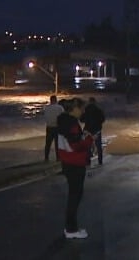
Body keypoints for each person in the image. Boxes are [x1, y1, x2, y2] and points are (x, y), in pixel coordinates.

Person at [57, 97, 98, 239]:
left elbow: (71, 141)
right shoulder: (72, 124)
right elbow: (77, 145)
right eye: (81, 109)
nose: (83, 112)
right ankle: (71, 229)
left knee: (73, 196)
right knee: (75, 196)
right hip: (75, 163)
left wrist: (83, 136)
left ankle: (70, 228)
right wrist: (89, 139)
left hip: (67, 161)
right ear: (74, 109)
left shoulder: (62, 121)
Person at [81, 97, 105, 165]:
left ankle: (88, 161)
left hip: (88, 130)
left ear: (89, 102)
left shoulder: (86, 110)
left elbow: (81, 119)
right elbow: (102, 119)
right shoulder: (99, 110)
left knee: (88, 145)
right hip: (97, 130)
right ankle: (100, 161)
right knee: (98, 145)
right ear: (95, 102)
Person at [43, 95, 64, 162]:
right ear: (55, 100)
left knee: (48, 144)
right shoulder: (60, 107)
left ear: (50, 100)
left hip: (49, 127)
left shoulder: (46, 108)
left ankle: (46, 158)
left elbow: (45, 117)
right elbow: (63, 116)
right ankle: (58, 158)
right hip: (57, 127)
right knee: (57, 144)